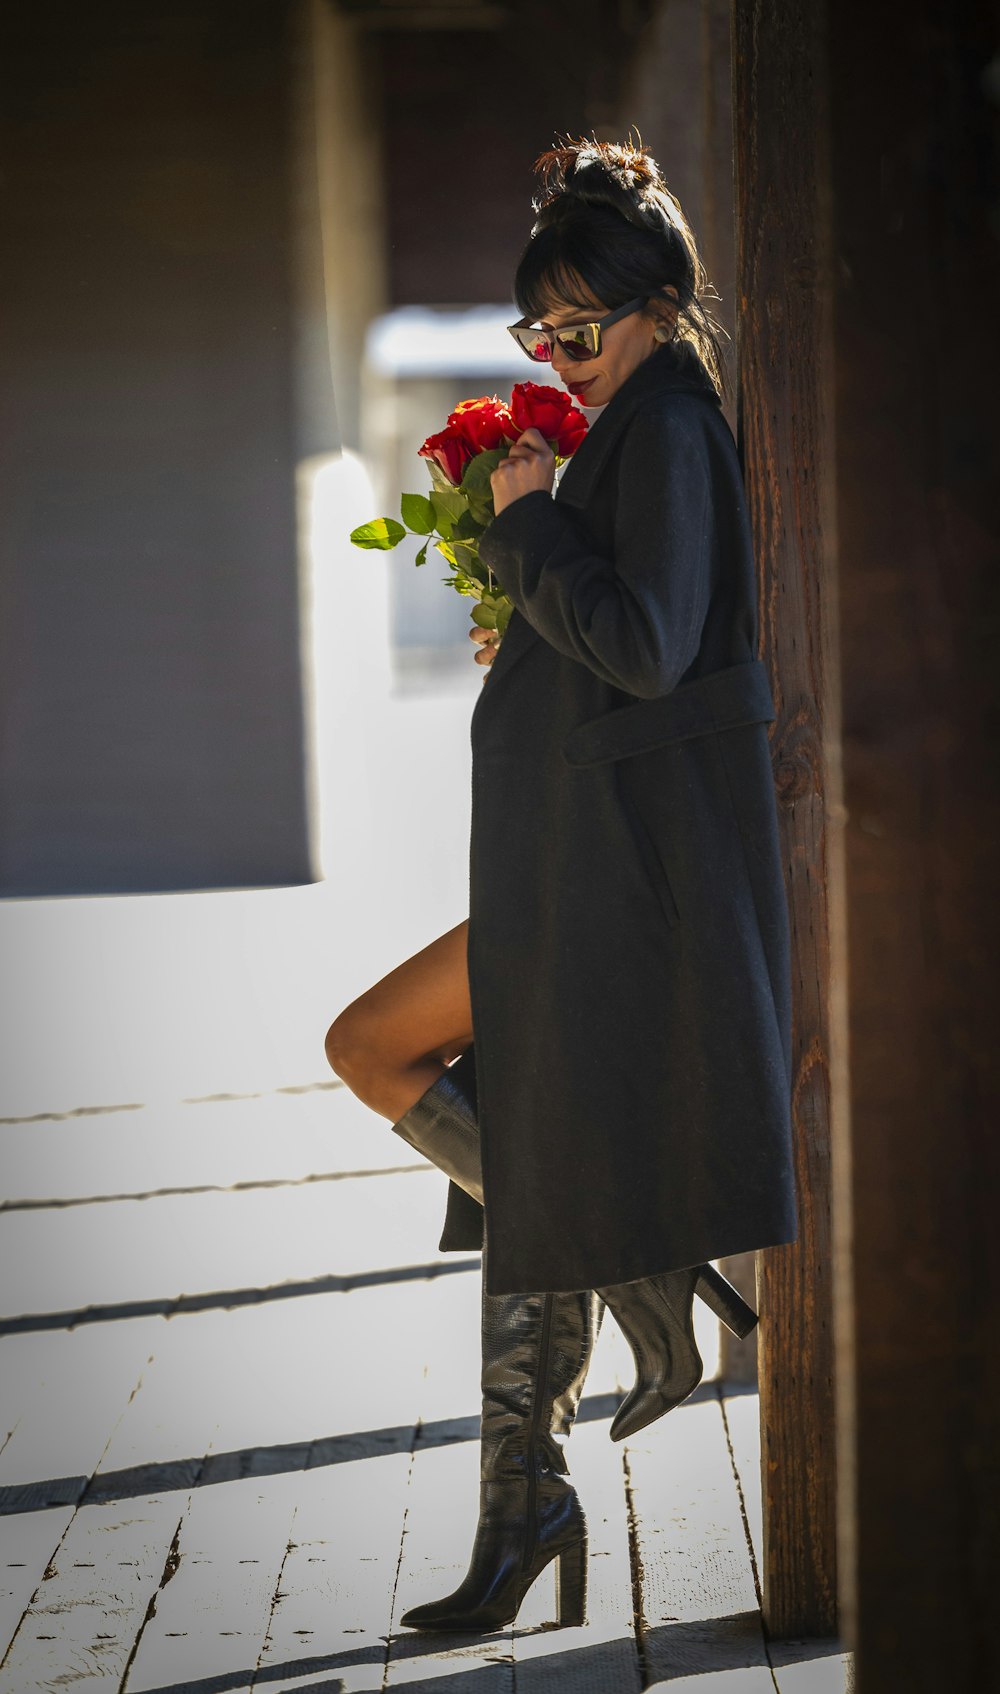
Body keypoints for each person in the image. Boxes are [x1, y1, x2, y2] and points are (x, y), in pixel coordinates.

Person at [325, 135, 798, 1635]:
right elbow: (628, 642)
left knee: (371, 1043)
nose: (560, 356)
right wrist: (527, 598)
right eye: (539, 334)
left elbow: (652, 646)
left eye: (580, 328)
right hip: (579, 869)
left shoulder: (663, 428)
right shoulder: (647, 423)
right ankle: (526, 1496)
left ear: (657, 302)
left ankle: (623, 1270)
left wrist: (527, 520)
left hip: (608, 886)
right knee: (488, 1112)